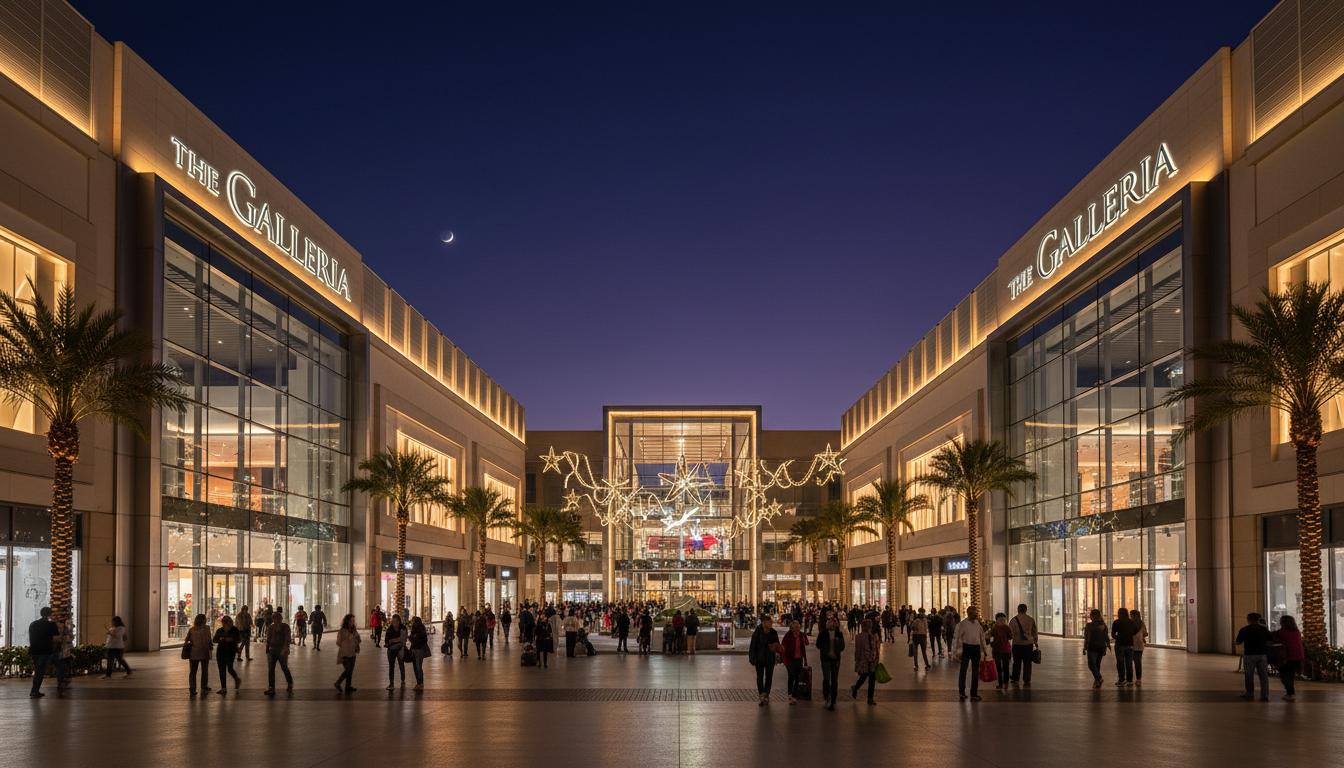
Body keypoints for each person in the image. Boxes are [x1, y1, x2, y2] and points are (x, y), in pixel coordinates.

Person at [954, 606, 989, 701]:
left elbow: (982, 638)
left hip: (976, 649)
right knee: (963, 671)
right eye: (974, 613)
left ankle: (974, 693)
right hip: (966, 648)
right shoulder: (963, 624)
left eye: (976, 613)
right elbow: (957, 638)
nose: (976, 615)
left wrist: (985, 651)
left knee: (975, 672)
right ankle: (962, 692)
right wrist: (956, 652)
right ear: (969, 614)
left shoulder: (978, 623)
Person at [1235, 612, 1272, 701]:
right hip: (1262, 655)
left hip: (1249, 655)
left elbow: (1238, 642)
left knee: (1249, 675)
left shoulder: (1244, 629)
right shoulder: (1264, 629)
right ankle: (1265, 695)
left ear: (1249, 619)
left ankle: (1250, 693)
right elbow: (1270, 641)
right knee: (1263, 675)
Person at [748, 615, 783, 706]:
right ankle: (761, 694)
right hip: (759, 658)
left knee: (769, 677)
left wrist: (776, 647)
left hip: (770, 658)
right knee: (759, 677)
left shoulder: (773, 632)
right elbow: (753, 646)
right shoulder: (757, 632)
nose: (771, 623)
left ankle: (766, 694)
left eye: (771, 622)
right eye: (769, 622)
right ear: (764, 623)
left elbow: (777, 644)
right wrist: (752, 658)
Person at [28, 606, 60, 698]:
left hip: (34, 651)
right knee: (40, 672)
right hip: (45, 651)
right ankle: (34, 691)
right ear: (50, 614)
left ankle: (35, 690)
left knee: (38, 670)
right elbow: (56, 638)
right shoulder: (51, 625)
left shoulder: (33, 624)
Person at [815, 614, 845, 710]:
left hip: (836, 660)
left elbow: (842, 647)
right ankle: (827, 697)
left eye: (834, 623)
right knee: (827, 679)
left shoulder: (839, 634)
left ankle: (833, 699)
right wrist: (825, 650)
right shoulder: (823, 633)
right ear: (827, 624)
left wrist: (837, 643)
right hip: (826, 659)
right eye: (830, 623)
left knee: (835, 680)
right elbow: (818, 644)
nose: (832, 624)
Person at [1272, 614, 1305, 701]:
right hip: (1298, 656)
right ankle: (1290, 693)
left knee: (1286, 676)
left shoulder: (1283, 632)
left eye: (1281, 621)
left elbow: (1273, 636)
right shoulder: (1297, 631)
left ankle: (1290, 693)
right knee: (1289, 675)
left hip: (1289, 657)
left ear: (1284, 623)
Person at [849, 619, 880, 705]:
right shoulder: (859, 637)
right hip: (864, 660)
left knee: (872, 680)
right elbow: (858, 651)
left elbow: (876, 648)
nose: (869, 627)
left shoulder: (874, 636)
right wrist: (857, 662)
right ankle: (855, 688)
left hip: (872, 660)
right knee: (863, 676)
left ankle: (870, 698)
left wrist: (877, 658)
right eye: (868, 626)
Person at [264, 610, 294, 696]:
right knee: (271, 669)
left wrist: (285, 648)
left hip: (282, 650)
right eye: (274, 618)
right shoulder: (271, 627)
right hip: (272, 650)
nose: (276, 620)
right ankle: (271, 688)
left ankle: (290, 684)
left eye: (278, 618)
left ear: (281, 619)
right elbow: (268, 638)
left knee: (284, 667)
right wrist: (267, 648)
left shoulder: (285, 627)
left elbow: (287, 638)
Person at [1008, 603, 1038, 687]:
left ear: (1018, 609)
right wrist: (1035, 642)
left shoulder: (1013, 620)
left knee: (1016, 662)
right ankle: (1027, 679)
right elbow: (1034, 632)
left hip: (1017, 644)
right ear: (1026, 610)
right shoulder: (1031, 619)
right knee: (1027, 662)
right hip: (1028, 644)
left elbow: (1010, 633)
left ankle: (1016, 678)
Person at [781, 620, 809, 704]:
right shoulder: (788, 636)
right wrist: (783, 658)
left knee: (797, 677)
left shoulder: (801, 635)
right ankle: (790, 694)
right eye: (796, 627)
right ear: (792, 628)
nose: (797, 628)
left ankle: (794, 696)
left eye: (798, 626)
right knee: (791, 675)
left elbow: (805, 646)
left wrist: (805, 660)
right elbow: (783, 647)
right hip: (789, 659)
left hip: (798, 659)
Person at [213, 615, 242, 694]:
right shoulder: (220, 630)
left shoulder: (234, 630)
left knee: (229, 668)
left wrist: (231, 639)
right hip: (220, 652)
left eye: (227, 622)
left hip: (230, 651)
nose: (225, 624)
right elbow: (214, 640)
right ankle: (223, 688)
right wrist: (220, 639)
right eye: (224, 622)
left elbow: (239, 639)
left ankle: (236, 679)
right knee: (221, 669)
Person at [185, 613, 213, 696]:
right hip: (205, 652)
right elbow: (209, 640)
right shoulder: (207, 628)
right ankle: (204, 686)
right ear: (204, 620)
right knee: (205, 671)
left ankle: (192, 689)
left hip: (194, 653)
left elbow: (187, 640)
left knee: (193, 672)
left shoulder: (192, 629)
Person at [1083, 608, 1110, 689]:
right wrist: (1107, 646)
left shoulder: (1089, 625)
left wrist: (1084, 647)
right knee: (1097, 665)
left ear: (1092, 616)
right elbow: (1106, 637)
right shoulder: (1104, 625)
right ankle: (1097, 682)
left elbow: (1087, 637)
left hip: (1092, 647)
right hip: (1101, 647)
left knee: (1091, 665)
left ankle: (1099, 678)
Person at [1111, 607, 1138, 686]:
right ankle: (1130, 681)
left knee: (1120, 663)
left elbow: (1113, 634)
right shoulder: (1132, 622)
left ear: (1119, 614)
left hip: (1119, 645)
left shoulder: (1116, 622)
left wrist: (1118, 638)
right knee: (1129, 663)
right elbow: (1135, 632)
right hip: (1130, 645)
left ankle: (1122, 680)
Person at [334, 614, 361, 693]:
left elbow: (358, 639)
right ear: (347, 621)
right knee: (348, 670)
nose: (352, 622)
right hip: (344, 654)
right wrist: (346, 642)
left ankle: (348, 686)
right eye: (351, 621)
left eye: (353, 621)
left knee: (350, 670)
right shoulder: (342, 631)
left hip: (352, 653)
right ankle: (338, 683)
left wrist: (356, 640)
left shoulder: (354, 630)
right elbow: (338, 642)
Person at [989, 612, 1013, 691]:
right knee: (1005, 667)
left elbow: (991, 638)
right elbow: (1010, 637)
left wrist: (992, 644)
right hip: (1006, 650)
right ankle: (1005, 684)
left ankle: (1000, 684)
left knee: (999, 668)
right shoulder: (1006, 627)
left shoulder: (994, 627)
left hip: (997, 650)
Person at [385, 614, 407, 689]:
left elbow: (403, 639)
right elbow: (387, 640)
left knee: (401, 664)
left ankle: (403, 680)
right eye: (393, 621)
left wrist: (393, 640)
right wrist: (395, 640)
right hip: (391, 650)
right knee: (391, 666)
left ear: (399, 621)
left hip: (400, 649)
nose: (394, 623)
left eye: (396, 621)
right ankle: (391, 683)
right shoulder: (389, 629)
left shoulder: (403, 628)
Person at [408, 616, 429, 690]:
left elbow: (423, 639)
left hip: (418, 650)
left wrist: (414, 638)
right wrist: (412, 638)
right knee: (416, 667)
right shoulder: (415, 629)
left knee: (418, 667)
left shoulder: (420, 629)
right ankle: (419, 683)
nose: (413, 622)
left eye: (413, 621)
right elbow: (412, 638)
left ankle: (420, 683)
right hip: (415, 650)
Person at [1130, 609, 1148, 686]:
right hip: (1139, 645)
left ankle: (1129, 679)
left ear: (1135, 615)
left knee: (1129, 663)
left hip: (1131, 645)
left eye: (1131, 615)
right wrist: (1141, 637)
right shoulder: (1141, 623)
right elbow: (1145, 633)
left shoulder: (1130, 623)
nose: (1130, 616)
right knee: (1138, 663)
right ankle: (1138, 679)